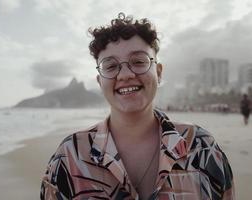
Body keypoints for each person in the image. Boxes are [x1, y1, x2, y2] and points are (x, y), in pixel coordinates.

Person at [40, 13, 235, 200]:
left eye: (138, 61)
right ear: (100, 81)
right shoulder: (70, 155)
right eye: (110, 66)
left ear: (158, 72)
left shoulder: (201, 147)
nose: (125, 75)